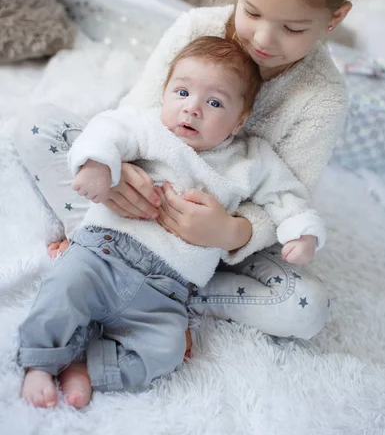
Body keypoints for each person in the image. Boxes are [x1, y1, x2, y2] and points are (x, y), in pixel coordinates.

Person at [14, 0, 385, 410]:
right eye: (254, 11)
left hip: (208, 245)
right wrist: (119, 177)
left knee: (306, 308)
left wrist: (229, 234)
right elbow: (135, 114)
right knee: (36, 126)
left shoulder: (321, 97)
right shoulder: (195, 28)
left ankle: (172, 299)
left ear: (336, 18)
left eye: (293, 28)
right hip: (133, 201)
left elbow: (284, 199)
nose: (264, 39)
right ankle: (96, 243)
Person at [19, 36, 326, 408]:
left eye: (214, 103)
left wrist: (302, 231)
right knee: (63, 290)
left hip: (167, 292)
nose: (191, 109)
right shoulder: (150, 127)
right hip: (103, 254)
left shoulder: (251, 161)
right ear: (164, 92)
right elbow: (109, 128)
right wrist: (99, 163)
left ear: (240, 120)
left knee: (166, 350)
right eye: (181, 93)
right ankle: (38, 363)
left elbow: (286, 195)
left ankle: (87, 371)